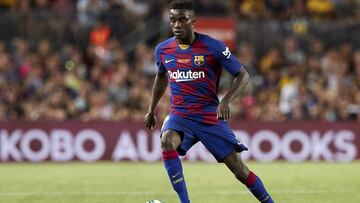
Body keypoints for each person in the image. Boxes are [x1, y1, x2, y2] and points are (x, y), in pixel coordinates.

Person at [144, 0, 274, 202]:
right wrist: (151, 109)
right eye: (173, 20)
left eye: (182, 19)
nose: (177, 24)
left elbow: (243, 75)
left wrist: (226, 100)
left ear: (193, 21)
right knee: (167, 140)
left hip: (208, 116)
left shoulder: (213, 47)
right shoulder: (163, 50)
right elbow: (161, 77)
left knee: (239, 170)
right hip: (180, 114)